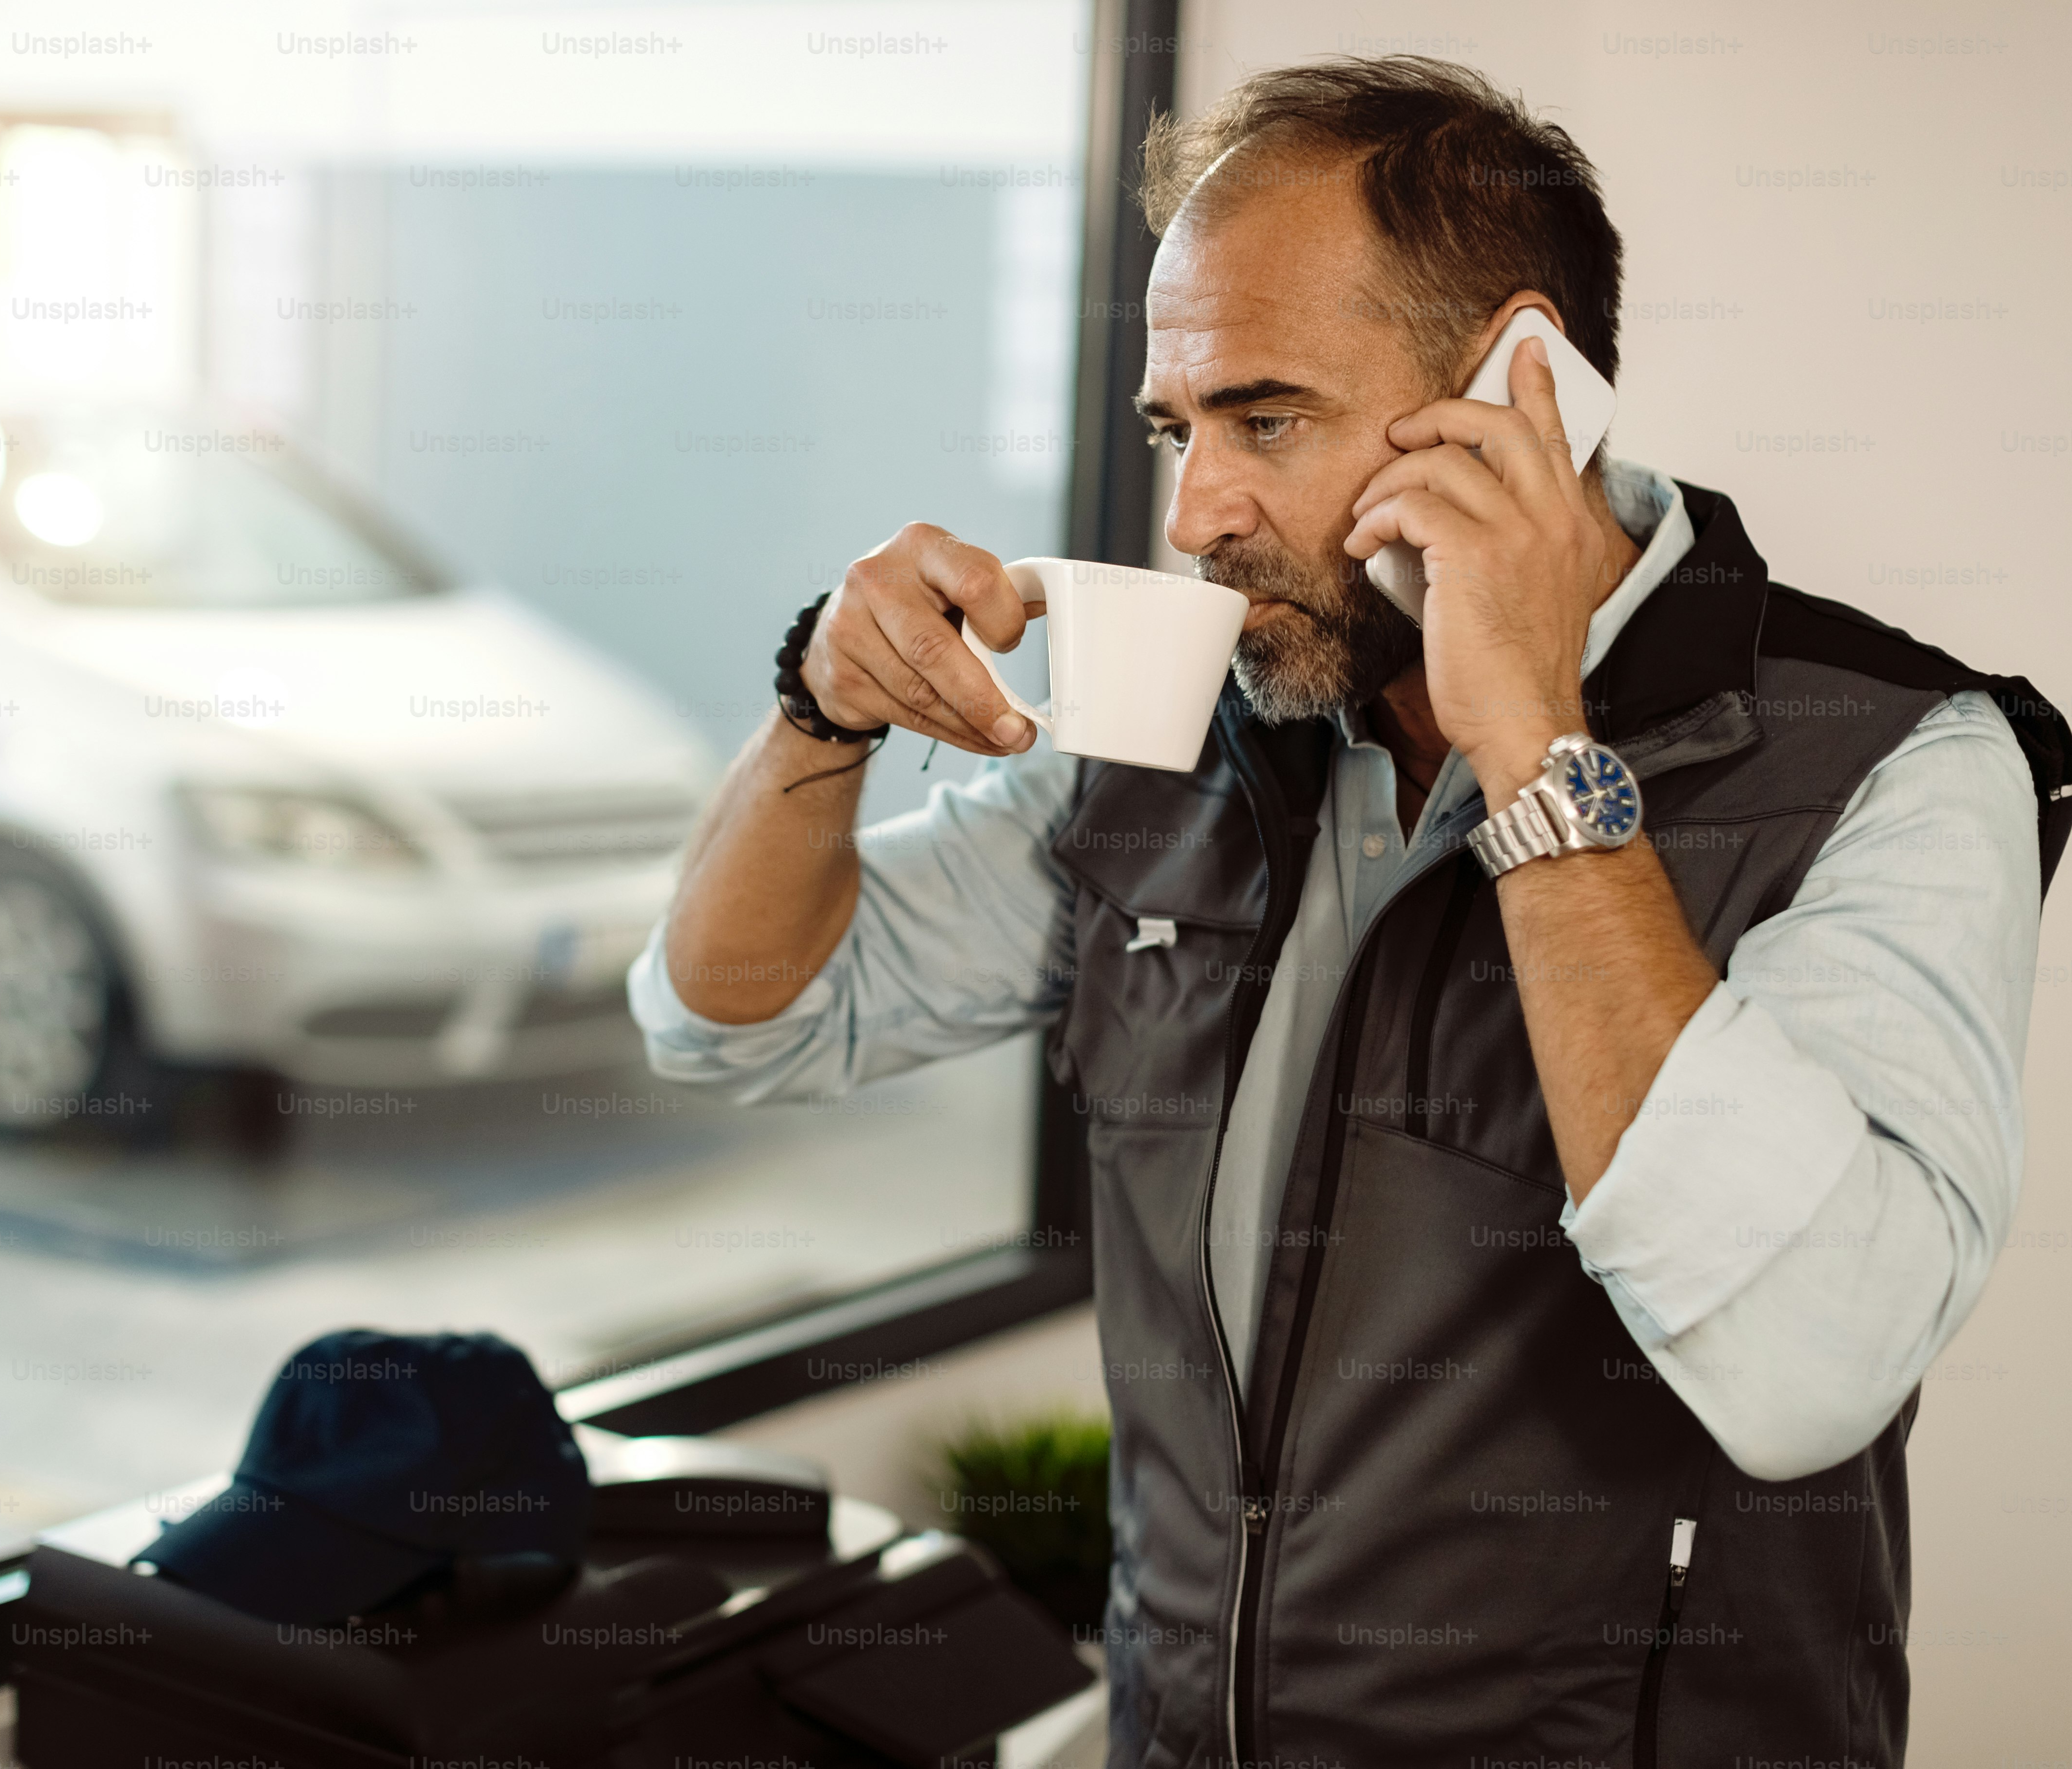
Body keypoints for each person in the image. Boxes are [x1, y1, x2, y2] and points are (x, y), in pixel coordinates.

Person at [628, 55, 2069, 1768]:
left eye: (1267, 419)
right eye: (1180, 428)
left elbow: (1803, 1366)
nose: (1193, 514)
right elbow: (734, 1021)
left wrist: (1531, 738)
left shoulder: (1896, 761)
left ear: (1522, 388)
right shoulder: (1195, 733)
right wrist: (821, 713)